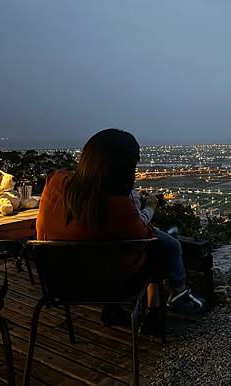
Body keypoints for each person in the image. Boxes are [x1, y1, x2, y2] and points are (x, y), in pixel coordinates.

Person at [36, 129, 205, 332]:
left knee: (106, 250)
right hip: (113, 286)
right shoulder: (117, 206)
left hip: (59, 284)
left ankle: (115, 311)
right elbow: (144, 236)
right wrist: (150, 208)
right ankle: (158, 310)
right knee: (160, 248)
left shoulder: (55, 182)